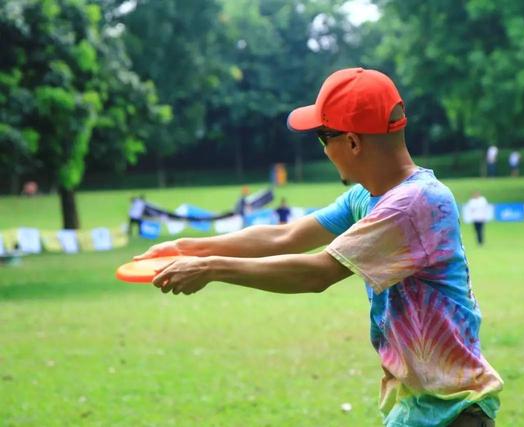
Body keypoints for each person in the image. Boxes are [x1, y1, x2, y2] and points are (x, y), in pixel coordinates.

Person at [136, 68, 503, 426]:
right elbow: (287, 236)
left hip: (454, 412)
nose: (324, 150)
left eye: (323, 138)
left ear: (353, 142)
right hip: (418, 410)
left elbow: (319, 272)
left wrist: (211, 269)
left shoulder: (415, 204)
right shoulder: (368, 196)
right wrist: (188, 248)